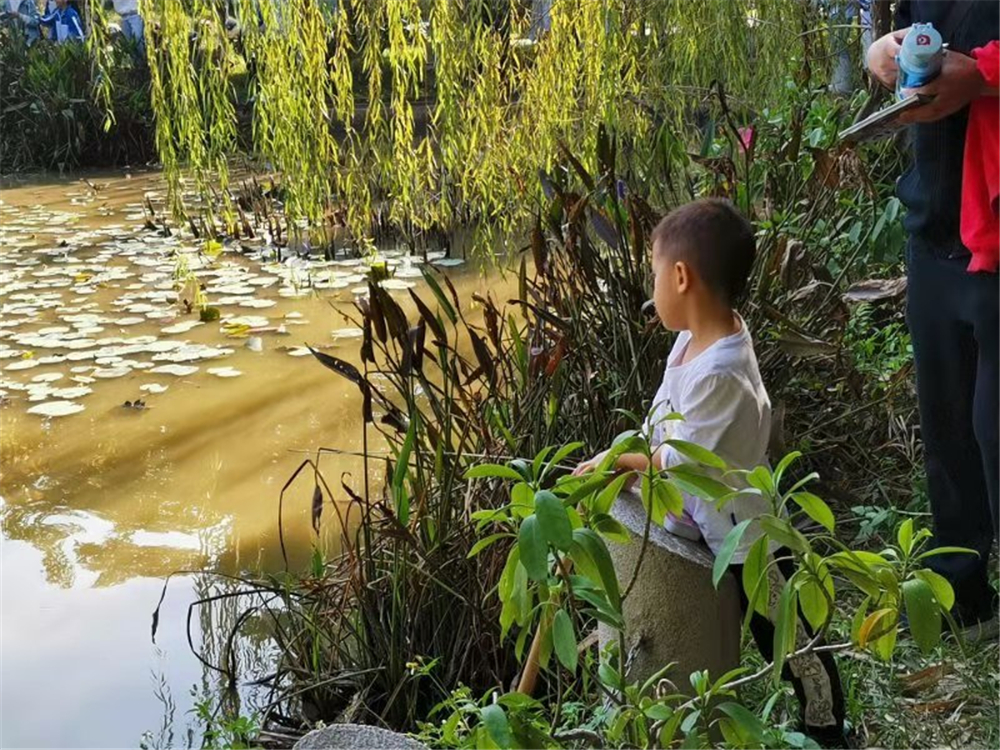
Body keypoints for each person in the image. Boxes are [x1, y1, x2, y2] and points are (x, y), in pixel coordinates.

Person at [573, 199, 846, 745]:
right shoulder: (691, 343)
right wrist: (623, 462)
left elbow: (677, 460)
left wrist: (617, 463)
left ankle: (827, 726)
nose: (651, 290)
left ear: (680, 277)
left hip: (748, 536)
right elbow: (661, 426)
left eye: (654, 275)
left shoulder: (721, 373)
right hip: (708, 519)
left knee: (789, 639)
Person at [867, 1, 999, 642]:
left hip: (996, 240)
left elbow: (978, 70)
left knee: (994, 429)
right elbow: (892, 42)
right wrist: (882, 57)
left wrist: (984, 73)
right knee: (947, 428)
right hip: (933, 230)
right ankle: (966, 597)